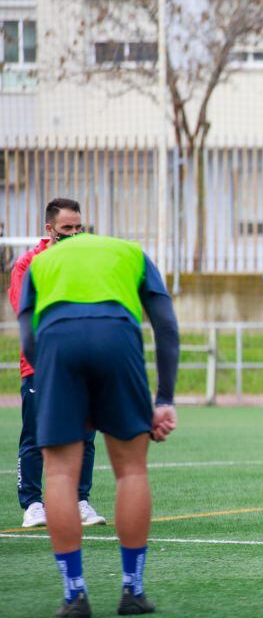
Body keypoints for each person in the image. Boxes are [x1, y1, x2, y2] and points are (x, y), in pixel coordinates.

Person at [17, 231, 180, 617]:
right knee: (131, 471)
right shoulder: (132, 254)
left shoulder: (40, 262)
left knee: (57, 474)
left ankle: (75, 596)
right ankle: (133, 591)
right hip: (117, 338)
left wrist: (58, 384)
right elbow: (166, 327)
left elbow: (27, 336)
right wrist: (164, 400)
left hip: (58, 342)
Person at [8, 199, 104, 529]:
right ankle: (33, 504)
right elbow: (27, 312)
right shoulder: (27, 265)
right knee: (36, 434)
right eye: (68, 228)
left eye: (79, 228)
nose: (75, 234)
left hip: (82, 361)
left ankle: (80, 501)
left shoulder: (89, 264)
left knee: (85, 434)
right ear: (50, 229)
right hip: (41, 363)